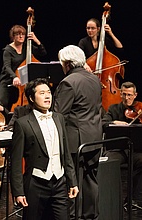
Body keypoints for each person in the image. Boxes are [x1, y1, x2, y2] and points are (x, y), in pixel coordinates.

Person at [10, 78, 78, 220]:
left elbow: (65, 153)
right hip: (36, 183)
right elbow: (16, 162)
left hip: (59, 182)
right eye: (42, 93)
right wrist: (18, 191)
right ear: (31, 98)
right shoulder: (22, 124)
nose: (47, 96)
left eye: (48, 92)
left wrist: (72, 181)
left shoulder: (59, 118)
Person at [53, 45, 103, 220]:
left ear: (67, 63)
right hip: (95, 138)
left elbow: (59, 114)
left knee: (71, 182)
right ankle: (90, 216)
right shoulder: (95, 79)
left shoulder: (68, 82)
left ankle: (72, 216)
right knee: (90, 179)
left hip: (75, 141)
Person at [102, 81, 142, 210]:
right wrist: (114, 122)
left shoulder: (140, 109)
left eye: (130, 95)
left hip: (136, 150)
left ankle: (131, 199)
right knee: (108, 160)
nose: (127, 98)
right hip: (118, 149)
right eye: (124, 94)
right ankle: (111, 198)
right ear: (120, 94)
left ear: (135, 95)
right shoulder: (113, 109)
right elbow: (103, 123)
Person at [0, 25, 47, 111]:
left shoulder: (27, 47)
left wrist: (36, 40)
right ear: (13, 36)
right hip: (9, 79)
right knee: (2, 102)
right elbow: (7, 66)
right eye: (17, 34)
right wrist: (15, 77)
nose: (21, 36)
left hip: (22, 81)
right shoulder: (8, 50)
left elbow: (42, 53)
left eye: (23, 34)